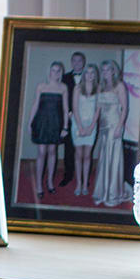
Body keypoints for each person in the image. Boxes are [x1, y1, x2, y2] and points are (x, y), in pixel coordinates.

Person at [27, 61, 69, 199]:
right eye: (53, 70)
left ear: (60, 73)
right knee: (41, 153)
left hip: (56, 123)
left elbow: (65, 109)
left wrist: (65, 127)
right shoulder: (41, 86)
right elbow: (35, 105)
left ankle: (50, 182)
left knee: (52, 152)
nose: (55, 73)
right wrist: (29, 123)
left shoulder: (63, 87)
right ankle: (39, 184)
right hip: (42, 122)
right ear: (49, 72)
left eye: (58, 71)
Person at [93, 59, 132, 207]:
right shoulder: (101, 87)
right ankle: (102, 191)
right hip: (103, 126)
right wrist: (93, 125)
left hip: (115, 125)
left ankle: (112, 193)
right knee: (103, 158)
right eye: (103, 70)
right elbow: (98, 109)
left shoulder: (119, 86)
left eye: (107, 69)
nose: (105, 72)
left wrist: (119, 127)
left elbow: (124, 108)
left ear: (113, 71)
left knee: (113, 158)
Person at [71, 63, 101, 197]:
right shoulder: (77, 88)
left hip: (91, 125)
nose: (90, 75)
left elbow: (98, 110)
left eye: (92, 73)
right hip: (78, 123)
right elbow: (75, 108)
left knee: (87, 155)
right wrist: (81, 127)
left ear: (95, 75)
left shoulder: (99, 88)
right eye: (87, 73)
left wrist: (91, 127)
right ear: (84, 75)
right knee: (78, 155)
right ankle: (78, 184)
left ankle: (85, 185)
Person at [59, 51, 87, 187]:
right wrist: (68, 112)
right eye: (74, 61)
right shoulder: (64, 78)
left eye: (79, 61)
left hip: (85, 119)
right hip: (69, 119)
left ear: (84, 62)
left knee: (84, 149)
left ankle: (83, 178)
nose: (77, 63)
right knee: (69, 149)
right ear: (71, 62)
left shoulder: (90, 78)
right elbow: (61, 98)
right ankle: (68, 175)